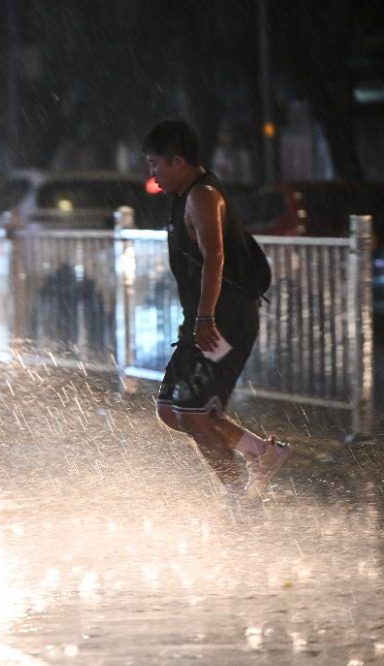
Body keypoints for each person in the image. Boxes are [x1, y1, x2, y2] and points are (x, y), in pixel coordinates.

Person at [142, 119, 291, 502]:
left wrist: (206, 316)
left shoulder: (203, 195)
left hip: (224, 320)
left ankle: (239, 497)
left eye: (155, 163)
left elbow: (215, 256)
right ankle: (262, 453)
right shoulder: (182, 196)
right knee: (172, 411)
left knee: (193, 413)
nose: (152, 173)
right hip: (203, 318)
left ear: (177, 161)